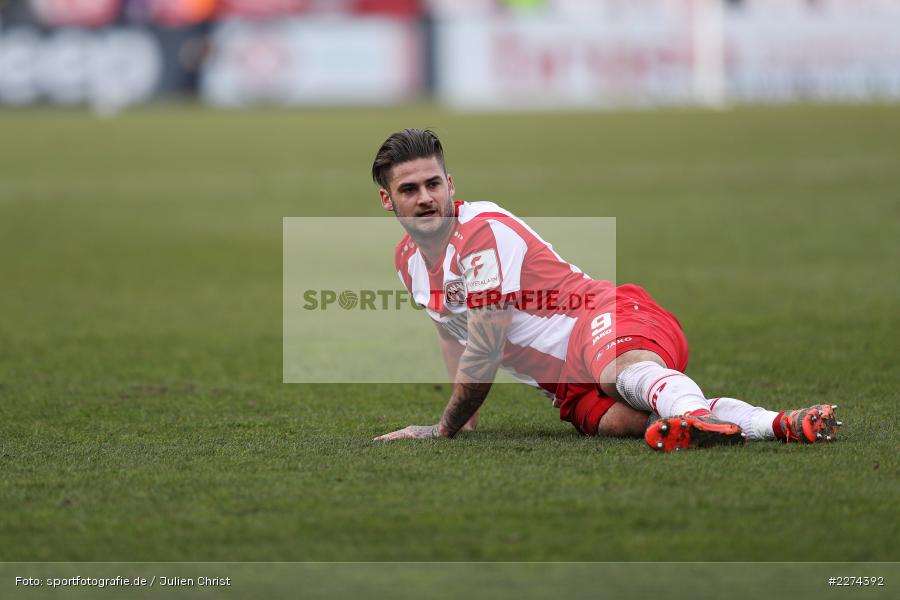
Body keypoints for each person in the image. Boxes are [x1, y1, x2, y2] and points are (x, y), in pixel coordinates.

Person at [371, 129, 840, 450]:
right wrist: (467, 424)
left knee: (619, 373)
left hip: (600, 316)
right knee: (632, 424)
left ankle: (692, 414)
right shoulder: (407, 261)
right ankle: (777, 423)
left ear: (451, 184)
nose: (426, 198)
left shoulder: (481, 232)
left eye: (433, 184)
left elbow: (485, 347)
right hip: (565, 386)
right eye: (409, 189)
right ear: (387, 200)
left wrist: (444, 428)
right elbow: (452, 333)